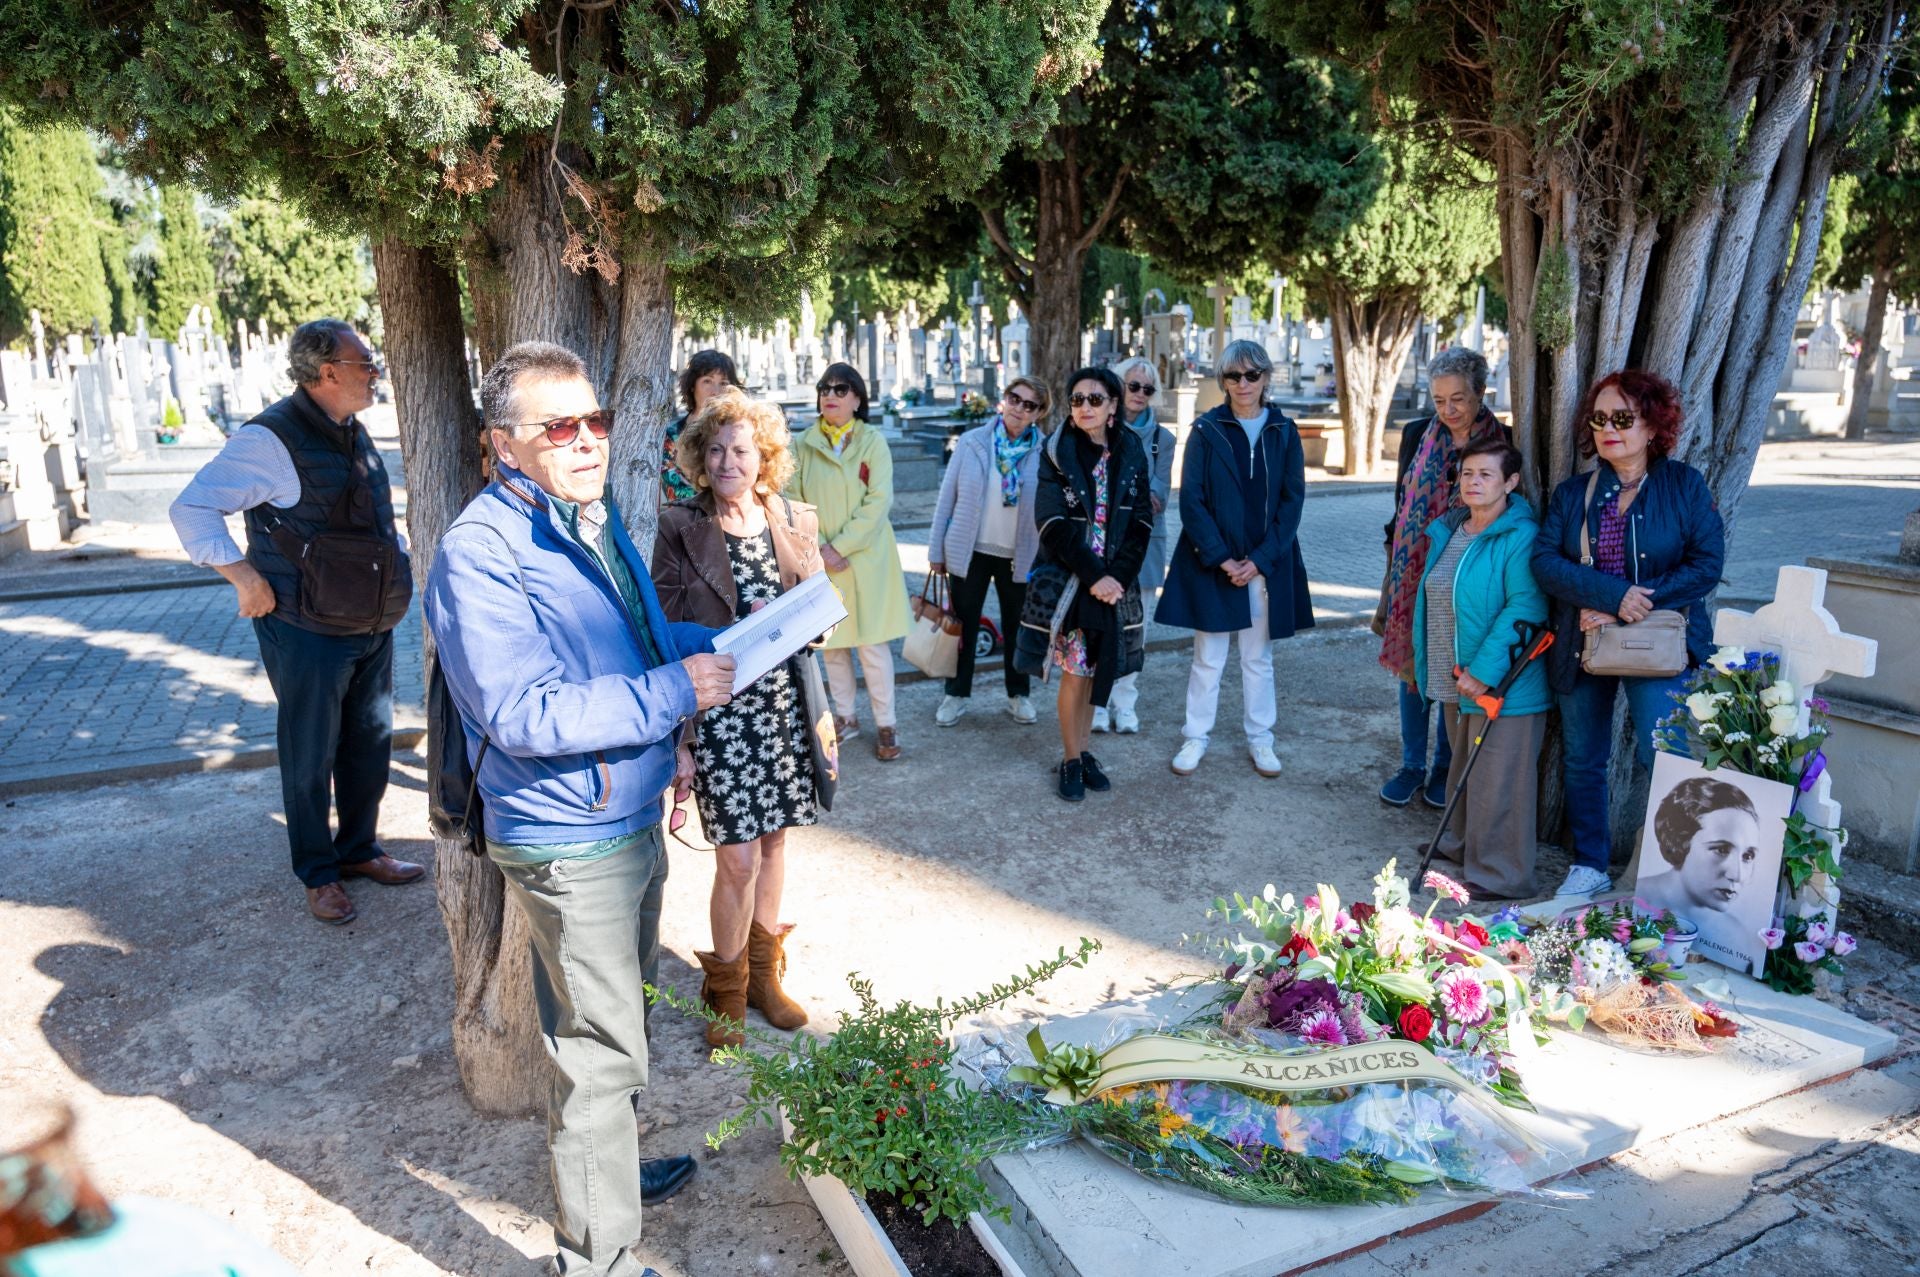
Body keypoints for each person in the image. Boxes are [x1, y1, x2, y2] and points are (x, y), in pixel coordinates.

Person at [426, 341, 736, 1277]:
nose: (588, 439)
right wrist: (676, 692)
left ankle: (614, 1177)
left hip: (626, 811)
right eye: (559, 426)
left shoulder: (588, 520)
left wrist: (734, 637)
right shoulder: (478, 551)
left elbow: (631, 645)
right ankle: (597, 1258)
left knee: (623, 1021)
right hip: (569, 830)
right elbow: (523, 711)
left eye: (595, 420)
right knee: (599, 1049)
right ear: (502, 445)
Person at [168, 318, 421, 926]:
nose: (375, 371)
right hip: (306, 626)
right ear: (329, 372)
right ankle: (318, 872)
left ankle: (359, 850)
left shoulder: (347, 429)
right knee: (310, 752)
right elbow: (191, 508)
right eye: (366, 362)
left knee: (369, 743)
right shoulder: (270, 439)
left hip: (366, 621)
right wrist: (244, 578)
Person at [652, 389, 828, 1048]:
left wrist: (801, 620)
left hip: (784, 707)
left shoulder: (792, 517)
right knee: (737, 860)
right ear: (701, 456)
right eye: (717, 449)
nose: (729, 461)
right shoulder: (680, 524)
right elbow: (663, 630)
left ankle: (763, 976)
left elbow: (816, 617)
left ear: (764, 458)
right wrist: (683, 740)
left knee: (777, 844)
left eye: (742, 449)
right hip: (721, 714)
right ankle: (723, 988)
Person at [1534, 369, 1726, 900]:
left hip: (1659, 642)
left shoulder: (1683, 485)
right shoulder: (1576, 493)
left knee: (1663, 752)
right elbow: (1546, 562)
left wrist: (1632, 605)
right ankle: (1589, 864)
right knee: (1583, 756)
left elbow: (1707, 564)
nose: (1608, 429)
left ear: (1652, 426)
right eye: (1599, 418)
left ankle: (1670, 870)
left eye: (1623, 418)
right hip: (1584, 642)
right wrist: (1608, 596)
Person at [1158, 340, 1313, 780]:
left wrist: (1260, 560)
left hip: (1265, 566)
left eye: (1251, 375)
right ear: (1222, 380)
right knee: (1208, 657)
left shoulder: (1283, 431)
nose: (1242, 384)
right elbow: (1192, 500)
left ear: (1265, 378)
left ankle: (1261, 738)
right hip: (1215, 564)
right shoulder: (1207, 430)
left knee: (1257, 658)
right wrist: (1223, 558)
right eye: (1232, 376)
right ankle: (1196, 735)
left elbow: (1292, 501)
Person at [1410, 438, 1549, 901]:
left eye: (1486, 474)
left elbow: (1525, 606)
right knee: (1463, 769)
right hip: (1456, 677)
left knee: (1497, 776)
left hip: (1503, 681)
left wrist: (1484, 672)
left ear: (1510, 482)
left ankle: (1501, 874)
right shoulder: (1453, 529)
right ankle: (1459, 847)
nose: (1473, 482)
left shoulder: (1520, 535)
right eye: (1467, 473)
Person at [1377, 346, 1511, 811]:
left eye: (1459, 399)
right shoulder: (1417, 435)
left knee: (1454, 666)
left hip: (1470, 574)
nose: (1449, 410)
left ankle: (1443, 769)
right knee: (1413, 667)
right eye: (1439, 400)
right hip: (1413, 571)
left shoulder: (1502, 441)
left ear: (1479, 393)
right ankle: (1412, 764)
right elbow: (1401, 502)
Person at [1022, 366, 1153, 802]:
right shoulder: (1056, 450)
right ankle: (1071, 757)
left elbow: (1141, 522)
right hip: (1072, 582)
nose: (1084, 407)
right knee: (1075, 674)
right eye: (1077, 400)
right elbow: (1052, 524)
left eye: (1095, 399)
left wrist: (1117, 578)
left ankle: (1086, 749)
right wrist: (1096, 577)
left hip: (1115, 583)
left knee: (1100, 667)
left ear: (1114, 405)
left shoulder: (1131, 450)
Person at [790, 362, 911, 761]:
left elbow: (878, 502)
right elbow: (795, 500)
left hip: (868, 559)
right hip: (821, 560)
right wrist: (820, 547)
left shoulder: (873, 441)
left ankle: (886, 722)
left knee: (873, 647)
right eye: (826, 388)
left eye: (841, 389)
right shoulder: (803, 444)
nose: (831, 395)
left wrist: (841, 546)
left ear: (858, 399)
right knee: (835, 647)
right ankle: (845, 716)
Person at [927, 377, 1050, 728]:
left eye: (1030, 404)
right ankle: (956, 693)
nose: (1019, 408)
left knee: (1018, 628)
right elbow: (946, 497)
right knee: (962, 626)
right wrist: (936, 548)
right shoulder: (972, 442)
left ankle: (1018, 694)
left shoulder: (1045, 451)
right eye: (1015, 398)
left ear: (1038, 413)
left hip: (1020, 554)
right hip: (970, 551)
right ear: (1004, 399)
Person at [1095, 356, 1175, 735]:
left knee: (1134, 628)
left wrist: (1121, 496)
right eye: (1133, 385)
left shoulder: (1163, 440)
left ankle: (1125, 703)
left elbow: (1159, 498)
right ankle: (1097, 701)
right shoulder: (1097, 429)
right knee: (1098, 625)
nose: (1140, 394)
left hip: (1145, 547)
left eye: (1147, 388)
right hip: (1100, 547)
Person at [1638, 776, 1763, 918]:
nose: (1737, 875)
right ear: (1679, 843)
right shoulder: (1632, 904)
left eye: (1748, 856)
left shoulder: (1737, 936)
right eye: (1721, 850)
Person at [661, 350, 742, 504]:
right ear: (692, 386)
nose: (715, 391)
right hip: (686, 519)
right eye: (707, 381)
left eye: (723, 383)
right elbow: (675, 491)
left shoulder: (741, 433)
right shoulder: (671, 437)